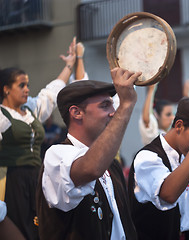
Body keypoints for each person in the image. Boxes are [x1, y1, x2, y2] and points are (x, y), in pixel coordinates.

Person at [36, 68, 140, 239]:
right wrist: (126, 105)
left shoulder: (112, 165)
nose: (113, 112)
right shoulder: (57, 155)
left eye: (113, 105)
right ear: (76, 112)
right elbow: (91, 168)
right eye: (105, 105)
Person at [0, 37, 79, 240]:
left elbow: (52, 92)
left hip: (36, 177)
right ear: (6, 89)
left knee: (41, 226)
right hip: (12, 180)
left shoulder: (30, 109)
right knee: (20, 228)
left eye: (27, 84)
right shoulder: (1, 117)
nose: (27, 89)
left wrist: (70, 65)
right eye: (22, 85)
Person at [128, 97, 189, 240]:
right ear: (179, 126)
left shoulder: (185, 157)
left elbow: (187, 211)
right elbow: (169, 194)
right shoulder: (147, 157)